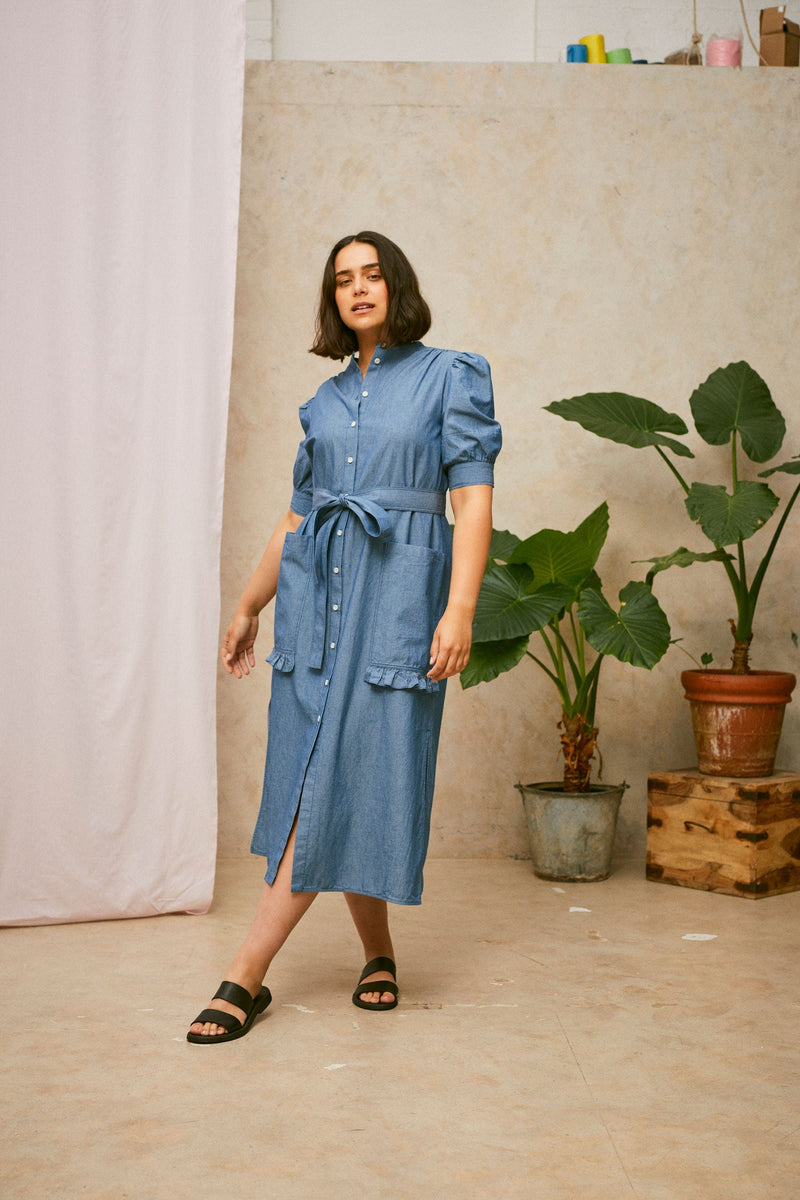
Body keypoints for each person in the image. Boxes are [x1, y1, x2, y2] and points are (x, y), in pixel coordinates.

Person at [187, 231, 501, 1043]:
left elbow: (471, 500)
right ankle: (379, 955)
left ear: (397, 283)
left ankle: (244, 975)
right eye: (342, 281)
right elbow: (296, 517)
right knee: (319, 774)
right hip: (313, 604)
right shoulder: (322, 404)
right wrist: (250, 603)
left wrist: (460, 607)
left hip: (396, 603)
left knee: (348, 772)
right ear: (332, 300)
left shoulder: (449, 376)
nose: (357, 290)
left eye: (371, 275)